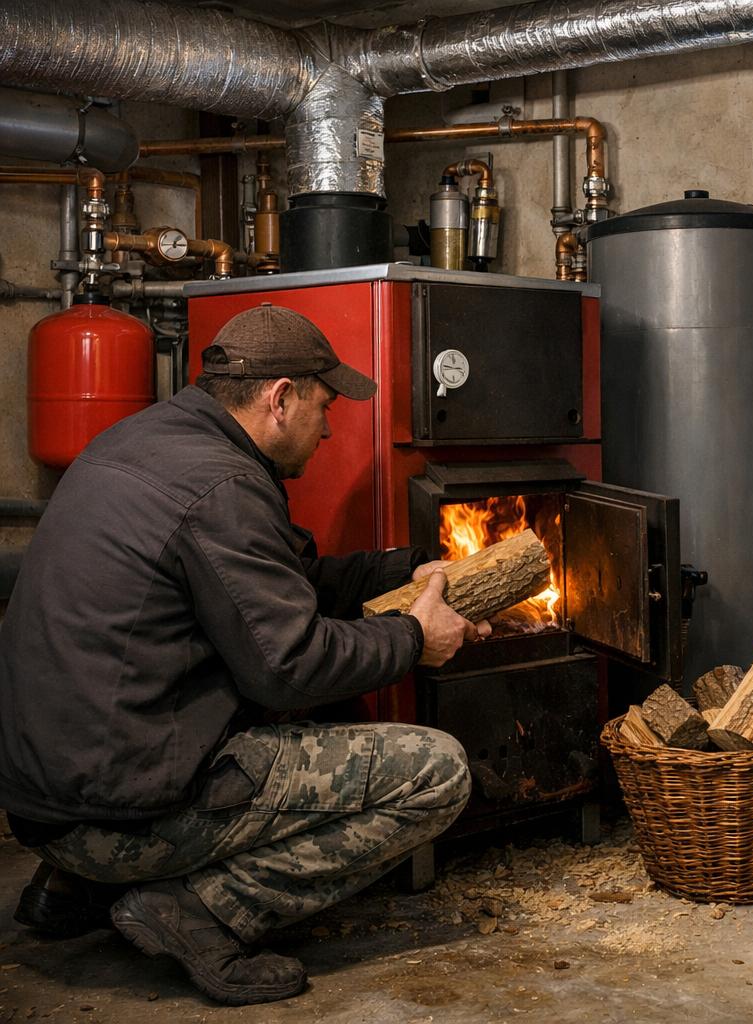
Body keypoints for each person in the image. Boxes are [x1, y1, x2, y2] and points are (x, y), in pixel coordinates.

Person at [0, 303, 490, 1006]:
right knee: (436, 773)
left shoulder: (150, 441)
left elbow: (269, 586)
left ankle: (75, 888)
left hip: (47, 802)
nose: (329, 427)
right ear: (280, 398)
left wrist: (398, 571)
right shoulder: (223, 488)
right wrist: (415, 639)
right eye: (324, 406)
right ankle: (200, 909)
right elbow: (290, 666)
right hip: (107, 813)